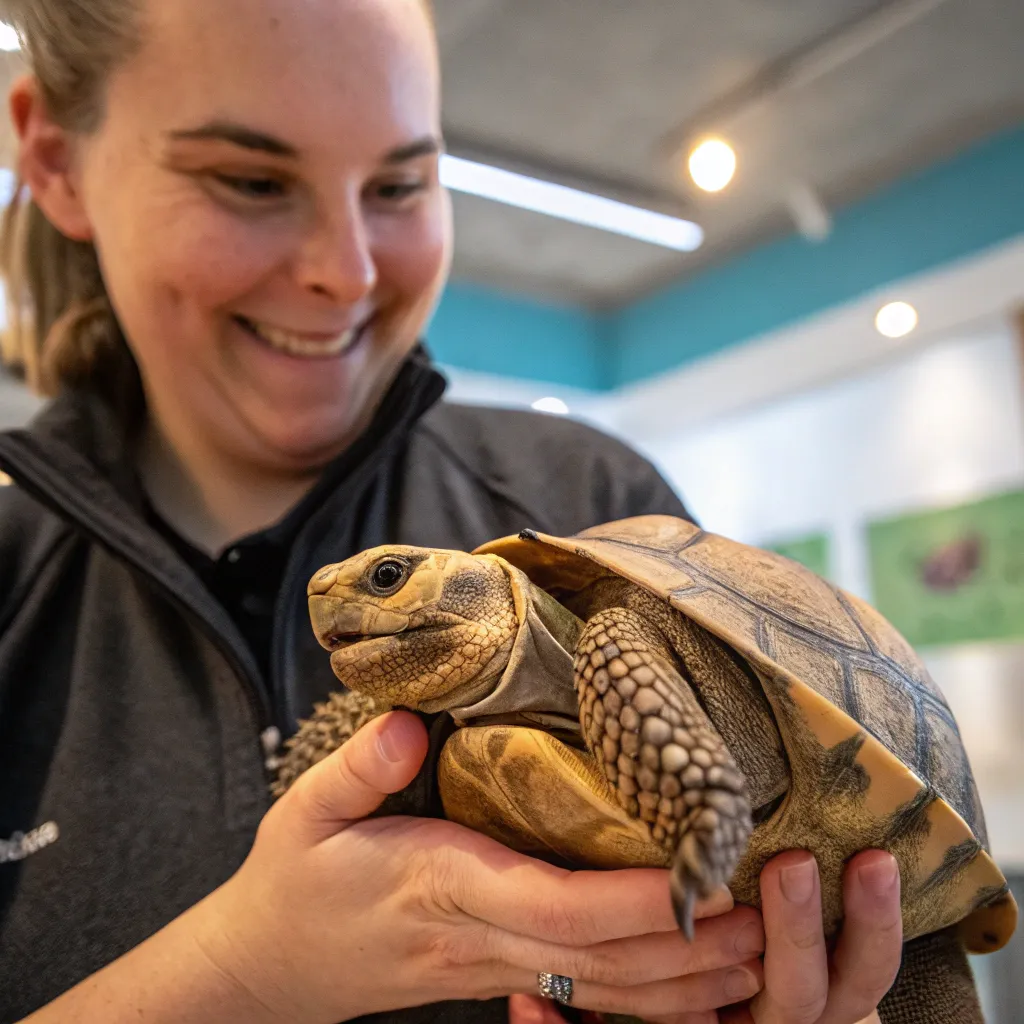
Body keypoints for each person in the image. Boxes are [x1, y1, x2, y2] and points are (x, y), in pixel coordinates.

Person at [0, 0, 918, 1021]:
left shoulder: (592, 503)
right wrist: (245, 971)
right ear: (53, 157)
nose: (343, 272)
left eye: (399, 183)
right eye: (251, 180)